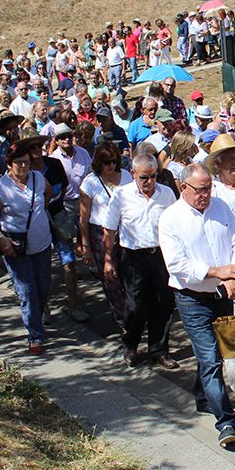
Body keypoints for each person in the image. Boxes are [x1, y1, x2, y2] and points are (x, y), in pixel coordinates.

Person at [158, 162, 235, 445]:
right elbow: (177, 264)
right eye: (200, 190)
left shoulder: (221, 208)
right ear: (183, 188)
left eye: (209, 188)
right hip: (192, 297)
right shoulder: (170, 219)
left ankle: (202, 395)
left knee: (217, 354)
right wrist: (216, 271)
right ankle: (226, 421)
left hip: (223, 293)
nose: (206, 195)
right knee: (210, 359)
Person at [102, 153, 178, 369]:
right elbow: (109, 230)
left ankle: (159, 350)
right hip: (133, 256)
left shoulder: (167, 194)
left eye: (153, 176)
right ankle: (131, 345)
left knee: (163, 303)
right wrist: (108, 260)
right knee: (136, 305)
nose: (149, 182)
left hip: (161, 255)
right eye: (144, 177)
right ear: (133, 174)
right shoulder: (121, 195)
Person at [0, 136, 54, 354]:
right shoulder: (0, 187)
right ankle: (35, 335)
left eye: (26, 161)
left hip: (41, 245)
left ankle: (36, 317)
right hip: (15, 247)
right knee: (27, 290)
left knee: (42, 287)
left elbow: (48, 195)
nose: (23, 166)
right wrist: (1, 238)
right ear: (9, 164)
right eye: (18, 163)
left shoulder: (38, 179)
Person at [78, 141, 132, 332]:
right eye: (106, 162)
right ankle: (122, 322)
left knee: (129, 278)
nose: (110, 166)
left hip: (125, 231)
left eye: (114, 161)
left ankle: (133, 317)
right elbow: (83, 218)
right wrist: (85, 246)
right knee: (111, 280)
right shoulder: (90, 183)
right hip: (100, 233)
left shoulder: (126, 176)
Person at [51, 123, 92, 323]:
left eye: (68, 135)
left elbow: (92, 176)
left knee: (89, 248)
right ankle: (73, 304)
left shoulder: (83, 153)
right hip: (64, 207)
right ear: (56, 141)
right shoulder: (53, 160)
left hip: (85, 203)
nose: (66, 140)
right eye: (61, 137)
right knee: (68, 259)